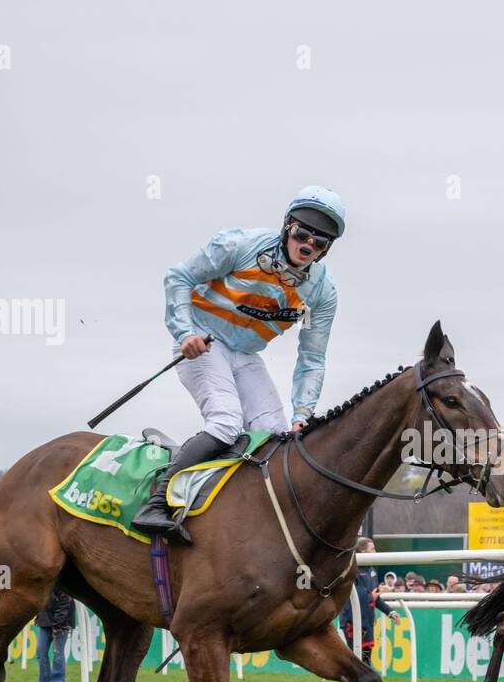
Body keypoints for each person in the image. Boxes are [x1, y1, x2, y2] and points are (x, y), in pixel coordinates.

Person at [133, 186, 347, 544]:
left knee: (278, 438)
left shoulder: (321, 292)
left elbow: (312, 358)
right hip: (203, 343)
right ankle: (158, 502)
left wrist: (303, 415)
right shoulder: (239, 245)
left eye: (319, 243)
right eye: (301, 234)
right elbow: (179, 277)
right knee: (227, 422)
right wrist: (185, 332)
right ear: (287, 226)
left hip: (246, 355)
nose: (308, 245)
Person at [338, 538, 399, 682]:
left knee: (365, 658)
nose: (375, 552)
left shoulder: (372, 569)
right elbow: (355, 593)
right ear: (362, 552)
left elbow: (374, 596)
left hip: (367, 620)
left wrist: (390, 612)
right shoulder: (352, 569)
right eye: (372, 549)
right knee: (354, 658)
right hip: (352, 620)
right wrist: (370, 597)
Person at [35, 586, 74, 682]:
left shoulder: (62, 583)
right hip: (45, 622)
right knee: (40, 652)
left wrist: (57, 624)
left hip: (61, 624)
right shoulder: (43, 582)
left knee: (58, 654)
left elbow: (65, 603)